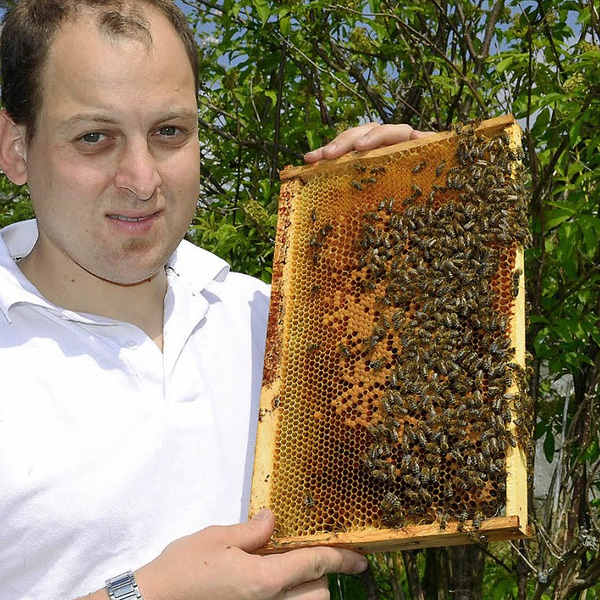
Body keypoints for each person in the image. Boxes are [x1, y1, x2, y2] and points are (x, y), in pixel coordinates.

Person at [0, 1, 428, 599]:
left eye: (169, 132)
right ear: (16, 147)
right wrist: (147, 594)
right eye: (95, 138)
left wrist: (414, 206)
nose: (142, 178)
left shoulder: (281, 322)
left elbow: (424, 457)